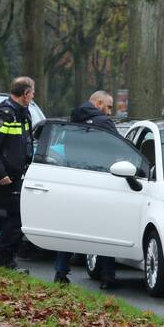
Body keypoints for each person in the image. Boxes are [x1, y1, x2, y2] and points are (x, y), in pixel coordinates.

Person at [54, 91, 120, 289]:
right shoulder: (104, 123)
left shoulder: (72, 122)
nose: (109, 112)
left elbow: (65, 149)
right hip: (100, 181)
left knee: (69, 228)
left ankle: (61, 271)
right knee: (105, 229)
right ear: (98, 103)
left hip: (75, 181)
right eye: (108, 107)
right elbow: (119, 148)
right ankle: (108, 276)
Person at [0, 76, 35, 270]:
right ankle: (4, 259)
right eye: (32, 93)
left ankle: (3, 255)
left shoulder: (23, 112)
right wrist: (1, 174)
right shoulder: (5, 114)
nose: (33, 96)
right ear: (26, 93)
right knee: (15, 217)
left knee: (14, 218)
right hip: (7, 176)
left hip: (20, 173)